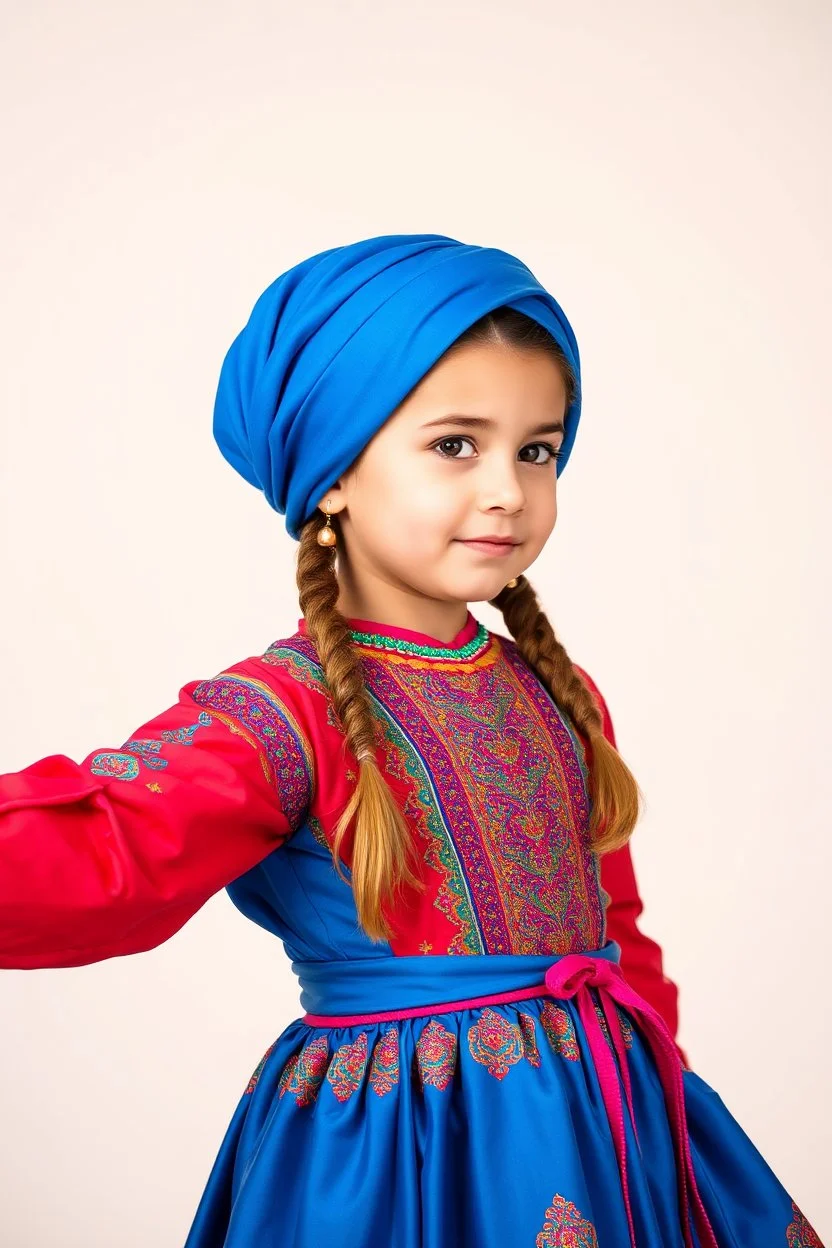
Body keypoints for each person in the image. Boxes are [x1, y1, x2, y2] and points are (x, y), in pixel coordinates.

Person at [0, 233, 821, 1247]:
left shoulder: (560, 696)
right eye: (454, 445)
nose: (508, 491)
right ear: (334, 472)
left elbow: (620, 935)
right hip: (403, 1152)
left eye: (537, 449)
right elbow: (102, 854)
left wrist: (656, 1113)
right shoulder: (279, 713)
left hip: (610, 1132)